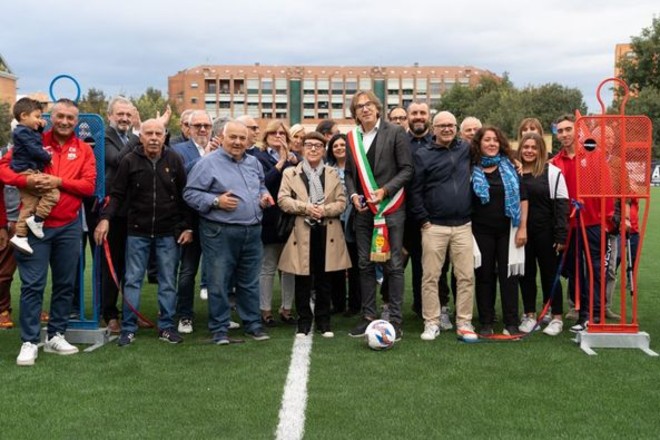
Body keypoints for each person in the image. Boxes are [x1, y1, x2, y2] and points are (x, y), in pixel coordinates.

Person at [0, 98, 97, 366]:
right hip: (34, 228)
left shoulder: (84, 150)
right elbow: (3, 170)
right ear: (49, 117)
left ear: (77, 122)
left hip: (68, 226)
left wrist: (58, 181)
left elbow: (88, 186)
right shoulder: (32, 138)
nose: (65, 121)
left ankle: (56, 334)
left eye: (70, 118)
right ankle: (29, 341)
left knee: (65, 284)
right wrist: (26, 180)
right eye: (60, 116)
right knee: (33, 285)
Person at [94, 119, 192, 347]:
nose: (154, 137)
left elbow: (183, 196)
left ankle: (166, 326)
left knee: (168, 281)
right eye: (149, 133)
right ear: (141, 136)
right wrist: (105, 219)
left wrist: (187, 226)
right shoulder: (129, 161)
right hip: (137, 232)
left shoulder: (174, 159)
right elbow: (117, 195)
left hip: (168, 233)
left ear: (165, 135)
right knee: (132, 280)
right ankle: (129, 328)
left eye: (159, 133)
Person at [183, 120, 273, 344]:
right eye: (233, 137)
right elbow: (190, 193)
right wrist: (215, 200)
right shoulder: (207, 163)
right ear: (222, 138)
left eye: (242, 138)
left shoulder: (254, 162)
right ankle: (219, 328)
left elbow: (261, 185)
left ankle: (252, 325)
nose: (238, 142)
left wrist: (264, 195)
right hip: (219, 231)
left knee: (250, 281)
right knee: (218, 281)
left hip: (252, 230)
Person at [344, 90, 413, 340]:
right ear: (355, 114)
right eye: (359, 106)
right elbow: (350, 174)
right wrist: (353, 196)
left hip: (391, 209)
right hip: (363, 212)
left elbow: (407, 170)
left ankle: (395, 319)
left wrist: (385, 191)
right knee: (364, 263)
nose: (365, 109)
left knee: (394, 265)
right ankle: (368, 316)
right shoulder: (351, 138)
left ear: (377, 108)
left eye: (369, 104)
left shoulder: (395, 133)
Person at [409, 111, 479, 342]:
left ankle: (464, 322)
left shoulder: (466, 150)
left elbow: (493, 154)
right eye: (442, 126)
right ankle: (432, 322)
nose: (447, 129)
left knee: (465, 276)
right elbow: (415, 191)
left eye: (451, 125)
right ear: (434, 128)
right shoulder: (422, 154)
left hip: (463, 225)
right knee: (430, 276)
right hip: (434, 226)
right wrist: (423, 219)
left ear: (456, 128)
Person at [278, 132, 351, 337]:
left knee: (324, 278)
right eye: (308, 145)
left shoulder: (332, 173)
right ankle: (303, 322)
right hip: (301, 229)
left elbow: (341, 202)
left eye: (318, 146)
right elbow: (283, 200)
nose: (313, 149)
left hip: (327, 229)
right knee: (302, 278)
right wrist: (306, 208)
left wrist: (323, 210)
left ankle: (324, 321)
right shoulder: (290, 173)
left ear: (323, 150)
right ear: (301, 148)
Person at [550, 114, 612, 331]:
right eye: (561, 131)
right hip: (570, 226)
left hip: (593, 222)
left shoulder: (593, 155)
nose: (565, 134)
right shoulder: (555, 163)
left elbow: (606, 187)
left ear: (577, 132)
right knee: (575, 271)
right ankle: (581, 313)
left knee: (594, 268)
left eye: (568, 129)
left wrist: (606, 219)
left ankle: (593, 315)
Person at [470, 126, 528, 336]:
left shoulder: (511, 166)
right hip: (480, 231)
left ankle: (511, 322)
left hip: (508, 230)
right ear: (479, 143)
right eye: (487, 140)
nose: (492, 143)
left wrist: (523, 228)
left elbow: (523, 197)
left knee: (509, 276)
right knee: (484, 276)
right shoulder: (471, 167)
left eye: (495, 140)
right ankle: (486, 322)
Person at [517, 132, 569, 336]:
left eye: (534, 147)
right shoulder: (515, 172)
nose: (529, 151)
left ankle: (556, 317)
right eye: (525, 147)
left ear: (541, 150)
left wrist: (561, 236)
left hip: (546, 234)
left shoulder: (553, 173)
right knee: (526, 275)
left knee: (549, 275)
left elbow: (562, 206)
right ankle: (529, 315)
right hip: (522, 235)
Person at [172, 110, 216, 334]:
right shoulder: (178, 150)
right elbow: (179, 180)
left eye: (206, 126)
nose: (202, 129)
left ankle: (219, 317)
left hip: (217, 222)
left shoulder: (221, 148)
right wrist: (204, 158)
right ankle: (185, 315)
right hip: (190, 221)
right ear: (187, 128)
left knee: (220, 272)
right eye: (197, 125)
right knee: (188, 271)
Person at [100, 96, 140, 334]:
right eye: (120, 114)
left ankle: (130, 313)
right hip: (112, 212)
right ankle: (109, 313)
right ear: (110, 116)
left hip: (133, 212)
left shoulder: (127, 138)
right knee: (111, 265)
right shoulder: (105, 137)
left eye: (128, 114)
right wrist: (137, 134)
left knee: (131, 267)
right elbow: (117, 160)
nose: (124, 118)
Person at [252, 120, 297, 325]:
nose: (278, 136)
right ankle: (265, 310)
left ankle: (287, 308)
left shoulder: (294, 160)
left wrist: (291, 162)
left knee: (289, 267)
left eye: (282, 133)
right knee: (268, 265)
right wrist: (280, 162)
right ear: (266, 136)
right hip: (268, 218)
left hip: (289, 219)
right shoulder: (257, 157)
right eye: (273, 133)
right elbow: (264, 183)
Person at [8, 98, 60, 255]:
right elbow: (34, 148)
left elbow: (33, 140)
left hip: (24, 171)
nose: (40, 120)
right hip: (27, 172)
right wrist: (47, 157)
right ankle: (37, 220)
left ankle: (20, 235)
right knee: (53, 193)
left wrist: (38, 129)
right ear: (24, 115)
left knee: (29, 205)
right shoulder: (22, 132)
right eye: (37, 117)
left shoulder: (25, 131)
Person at [325, 133, 360, 316]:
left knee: (354, 264)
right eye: (335, 146)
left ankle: (355, 304)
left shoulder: (357, 167)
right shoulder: (327, 168)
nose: (339, 148)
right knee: (336, 265)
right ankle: (337, 303)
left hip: (353, 221)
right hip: (333, 221)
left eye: (342, 145)